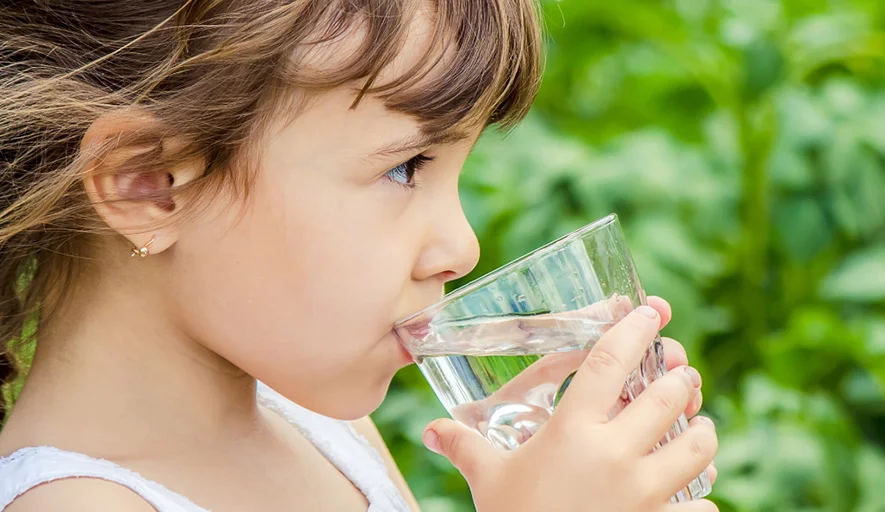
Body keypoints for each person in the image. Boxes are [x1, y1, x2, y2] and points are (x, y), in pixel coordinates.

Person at [0, 1, 718, 510]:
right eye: (406, 168)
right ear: (147, 185)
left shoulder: (324, 432)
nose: (460, 248)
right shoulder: (74, 504)